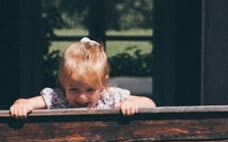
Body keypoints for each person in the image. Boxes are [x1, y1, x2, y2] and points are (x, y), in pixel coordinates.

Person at [9, 37, 157, 118]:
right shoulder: (57, 98)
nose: (82, 98)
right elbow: (25, 102)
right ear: (62, 82)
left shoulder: (110, 97)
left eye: (90, 90)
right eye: (73, 89)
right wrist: (22, 105)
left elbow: (150, 104)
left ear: (102, 85)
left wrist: (131, 104)